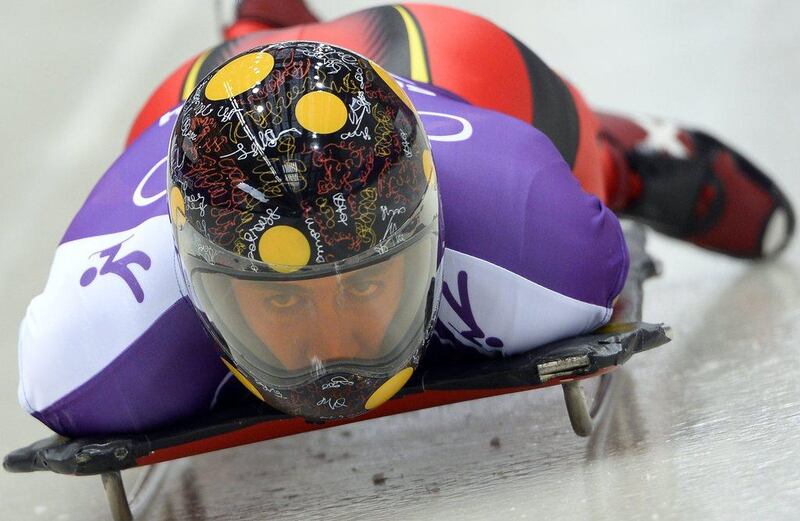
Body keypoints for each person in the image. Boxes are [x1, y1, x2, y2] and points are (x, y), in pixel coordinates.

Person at [16, 1, 793, 436]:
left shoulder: (540, 242)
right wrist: (367, 278)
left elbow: (565, 218)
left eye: (362, 287)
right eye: (283, 303)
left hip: (440, 67)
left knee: (584, 159)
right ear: (190, 277)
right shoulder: (88, 346)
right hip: (182, 112)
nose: (334, 346)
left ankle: (624, 156)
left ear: (436, 233)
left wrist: (602, 178)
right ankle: (258, 30)